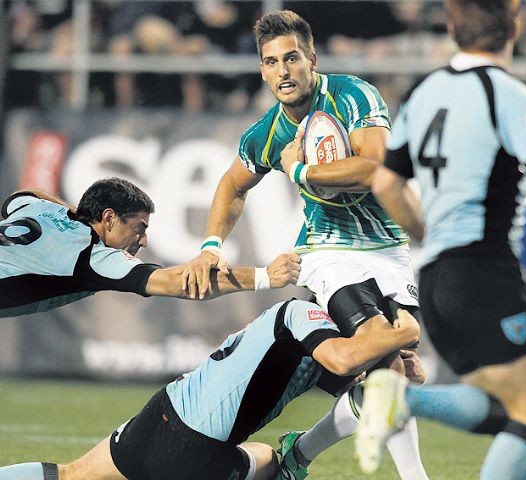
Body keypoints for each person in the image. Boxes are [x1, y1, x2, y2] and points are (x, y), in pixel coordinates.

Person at [360, 0, 526, 478]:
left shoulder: (424, 91)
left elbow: (386, 183)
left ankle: (402, 400)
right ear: (515, 27)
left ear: (453, 29)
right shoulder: (510, 94)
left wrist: (425, 232)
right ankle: (403, 400)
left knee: (506, 407)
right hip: (484, 272)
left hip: (436, 277)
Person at [184, 9, 428, 480]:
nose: (283, 71)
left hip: (389, 248)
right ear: (262, 70)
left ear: (311, 60)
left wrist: (300, 170)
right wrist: (212, 244)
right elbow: (232, 185)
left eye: (292, 58)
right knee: (388, 360)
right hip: (327, 252)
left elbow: (376, 168)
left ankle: (299, 452)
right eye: (271, 62)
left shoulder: (354, 95)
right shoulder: (266, 133)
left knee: (387, 373)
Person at [0, 298, 420, 480]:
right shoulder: (303, 315)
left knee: (71, 474)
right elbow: (346, 363)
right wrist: (403, 333)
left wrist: (398, 366)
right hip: (194, 451)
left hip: (160, 414)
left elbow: (371, 390)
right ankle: (298, 454)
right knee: (272, 462)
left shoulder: (312, 337)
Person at [0, 176, 300, 318]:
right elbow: (182, 284)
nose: (143, 241)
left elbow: (23, 194)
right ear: (109, 218)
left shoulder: (41, 209)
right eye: (139, 228)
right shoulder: (93, 257)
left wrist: (74, 217)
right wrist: (264, 276)